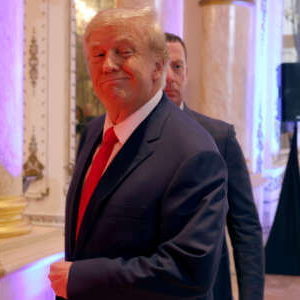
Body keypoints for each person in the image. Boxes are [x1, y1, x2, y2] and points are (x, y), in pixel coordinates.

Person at [49, 8, 228, 300]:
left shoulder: (194, 152)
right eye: (98, 55)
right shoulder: (93, 133)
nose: (108, 65)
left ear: (158, 66)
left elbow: (189, 271)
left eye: (123, 52)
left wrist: (81, 278)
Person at [164, 32, 264, 300]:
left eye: (177, 67)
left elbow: (245, 228)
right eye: (162, 66)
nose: (169, 77)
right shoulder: (130, 138)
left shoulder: (219, 138)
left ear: (186, 72)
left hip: (209, 290)